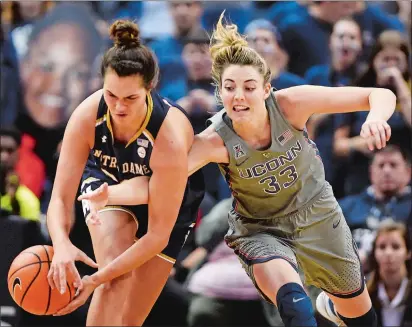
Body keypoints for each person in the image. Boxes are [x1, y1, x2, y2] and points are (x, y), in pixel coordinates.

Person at [79, 13, 397, 327]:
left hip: (318, 215)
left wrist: (376, 118)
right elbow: (156, 183)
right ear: (220, 92)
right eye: (230, 87)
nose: (239, 96)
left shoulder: (291, 104)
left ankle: (333, 304)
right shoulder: (213, 141)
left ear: (266, 89)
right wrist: (109, 193)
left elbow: (379, 94)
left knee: (361, 319)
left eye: (248, 86)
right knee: (295, 306)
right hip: (261, 229)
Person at [45, 19, 204, 326]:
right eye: (111, 95)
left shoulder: (169, 133)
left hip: (166, 203)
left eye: (130, 98)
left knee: (130, 319)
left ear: (149, 88)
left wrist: (93, 280)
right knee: (116, 280)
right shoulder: (87, 114)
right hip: (108, 184)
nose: (118, 107)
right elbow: (60, 200)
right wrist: (61, 244)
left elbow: (157, 235)